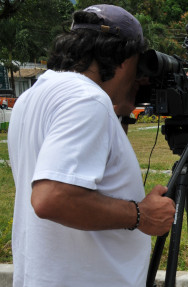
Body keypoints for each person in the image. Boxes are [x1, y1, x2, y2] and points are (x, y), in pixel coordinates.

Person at [7, 5, 176, 286]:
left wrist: (119, 108)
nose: (140, 78)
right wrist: (141, 215)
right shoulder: (87, 99)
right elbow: (52, 198)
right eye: (138, 65)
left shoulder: (36, 94)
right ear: (122, 58)